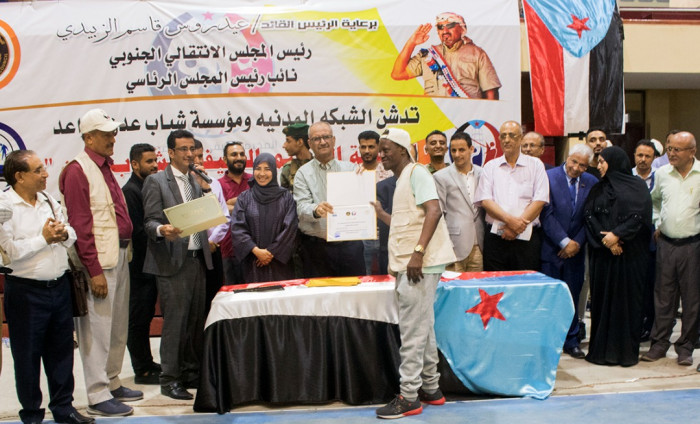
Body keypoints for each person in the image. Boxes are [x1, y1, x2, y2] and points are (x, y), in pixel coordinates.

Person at [1, 151, 94, 424]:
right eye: (38, 170)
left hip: (60, 288)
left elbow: (71, 233)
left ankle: (64, 408)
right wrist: (43, 239)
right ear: (20, 176)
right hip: (25, 292)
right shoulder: (5, 207)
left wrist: (63, 234)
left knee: (62, 353)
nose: (45, 174)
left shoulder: (48, 199)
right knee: (27, 356)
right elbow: (9, 253)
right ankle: (31, 414)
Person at [59, 109, 141, 417]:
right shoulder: (77, 171)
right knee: (97, 329)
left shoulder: (104, 166)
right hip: (99, 263)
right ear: (89, 137)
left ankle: (112, 381)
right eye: (106, 134)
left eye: (113, 133)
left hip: (120, 255)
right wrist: (93, 271)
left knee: (117, 326)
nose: (112, 139)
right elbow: (80, 226)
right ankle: (97, 394)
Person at [371, 128, 455, 419]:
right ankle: (431, 387)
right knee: (424, 326)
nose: (381, 154)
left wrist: (418, 252)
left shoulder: (417, 172)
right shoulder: (403, 179)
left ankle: (409, 396)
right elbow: (409, 221)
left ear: (403, 150)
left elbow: (434, 211)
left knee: (411, 331)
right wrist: (381, 214)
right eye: (380, 149)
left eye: (386, 149)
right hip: (415, 264)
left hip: (419, 265)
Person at [142, 129, 214, 400]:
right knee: (175, 323)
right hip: (172, 263)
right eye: (183, 149)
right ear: (170, 153)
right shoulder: (156, 181)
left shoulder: (195, 181)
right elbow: (149, 221)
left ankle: (190, 372)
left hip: (196, 260)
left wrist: (206, 190)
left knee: (194, 321)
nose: (189, 154)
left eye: (192, 148)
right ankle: (169, 378)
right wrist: (162, 229)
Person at [584, 146, 652, 367]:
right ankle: (600, 352)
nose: (599, 166)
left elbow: (640, 217)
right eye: (599, 161)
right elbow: (589, 215)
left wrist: (618, 235)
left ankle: (624, 353)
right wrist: (607, 240)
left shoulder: (638, 186)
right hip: (604, 256)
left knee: (627, 304)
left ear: (614, 162)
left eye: (602, 161)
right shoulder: (598, 188)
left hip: (630, 257)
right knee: (602, 303)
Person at [642, 131, 700, 367]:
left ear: (692, 152)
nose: (671, 153)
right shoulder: (663, 173)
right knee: (663, 297)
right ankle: (659, 344)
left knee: (692, 300)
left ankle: (685, 347)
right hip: (666, 243)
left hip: (693, 245)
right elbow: (654, 200)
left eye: (677, 150)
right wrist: (657, 221)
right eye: (669, 149)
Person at [540, 144, 598, 359]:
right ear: (567, 157)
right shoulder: (548, 177)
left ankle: (571, 341)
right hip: (551, 249)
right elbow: (545, 214)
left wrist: (576, 243)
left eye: (582, 165)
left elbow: (590, 217)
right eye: (574, 162)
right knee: (550, 298)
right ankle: (549, 342)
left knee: (572, 297)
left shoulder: (591, 182)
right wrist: (563, 242)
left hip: (576, 251)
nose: (576, 168)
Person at [474, 121, 549, 271]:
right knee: (495, 283)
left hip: (526, 239)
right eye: (503, 136)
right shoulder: (490, 167)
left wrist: (516, 228)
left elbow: (540, 200)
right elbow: (486, 201)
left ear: (521, 138)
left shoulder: (536, 165)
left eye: (511, 135)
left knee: (525, 283)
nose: (507, 140)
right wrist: (511, 222)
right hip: (496, 239)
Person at [293, 121, 364, 277]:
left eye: (326, 137)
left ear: (333, 140)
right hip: (316, 250)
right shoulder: (302, 174)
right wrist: (315, 210)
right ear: (309, 143)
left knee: (354, 290)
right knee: (319, 292)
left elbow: (362, 204)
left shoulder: (352, 169)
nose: (322, 142)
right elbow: (300, 207)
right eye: (317, 139)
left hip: (350, 247)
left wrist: (365, 181)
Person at [121, 143, 161, 385]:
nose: (155, 165)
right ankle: (142, 369)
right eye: (149, 161)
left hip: (153, 265)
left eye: (155, 160)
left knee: (146, 316)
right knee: (138, 318)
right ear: (134, 164)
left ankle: (148, 362)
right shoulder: (130, 191)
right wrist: (161, 233)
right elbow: (136, 232)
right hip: (139, 268)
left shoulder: (150, 186)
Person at [391, 12, 501, 99]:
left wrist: (486, 115)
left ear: (462, 28)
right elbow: (397, 74)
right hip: (435, 114)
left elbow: (491, 91)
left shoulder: (477, 53)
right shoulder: (427, 55)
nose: (445, 31)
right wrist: (411, 43)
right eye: (440, 27)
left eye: (450, 25)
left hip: (467, 114)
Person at [232, 153, 298, 283]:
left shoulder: (286, 197)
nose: (262, 174)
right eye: (258, 169)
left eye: (267, 169)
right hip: (252, 262)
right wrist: (256, 251)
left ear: (274, 170)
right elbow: (238, 228)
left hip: (280, 263)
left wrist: (271, 253)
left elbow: (290, 228)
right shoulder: (244, 198)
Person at [433, 132, 484, 272]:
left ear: (471, 149)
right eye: (453, 150)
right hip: (453, 246)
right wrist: (445, 246)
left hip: (479, 244)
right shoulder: (440, 177)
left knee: (476, 285)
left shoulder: (483, 173)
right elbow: (438, 214)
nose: (457, 154)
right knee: (454, 284)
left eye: (461, 150)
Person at [193, 139, 230, 311]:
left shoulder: (213, 183)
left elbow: (224, 217)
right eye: (193, 157)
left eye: (200, 156)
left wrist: (212, 241)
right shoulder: (178, 185)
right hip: (191, 253)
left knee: (213, 299)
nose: (198, 161)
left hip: (212, 249)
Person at [632, 139, 659, 341]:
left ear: (654, 158)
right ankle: (633, 323)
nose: (643, 159)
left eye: (647, 156)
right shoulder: (626, 177)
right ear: (634, 156)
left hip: (653, 241)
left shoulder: (661, 178)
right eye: (639, 155)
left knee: (651, 285)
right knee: (633, 286)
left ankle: (650, 325)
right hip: (630, 240)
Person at [358, 130, 393, 274]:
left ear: (378, 148)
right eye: (363, 147)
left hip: (386, 235)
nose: (367, 151)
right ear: (359, 148)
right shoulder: (354, 173)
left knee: (387, 277)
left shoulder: (390, 173)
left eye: (371, 147)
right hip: (362, 236)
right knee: (365, 277)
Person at [217, 141, 251, 284]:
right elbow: (218, 212)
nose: (239, 158)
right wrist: (246, 203)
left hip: (253, 250)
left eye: (242, 154)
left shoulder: (255, 181)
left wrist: (232, 203)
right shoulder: (217, 185)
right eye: (234, 154)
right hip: (228, 251)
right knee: (231, 293)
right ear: (225, 159)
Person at [280, 123, 313, 192]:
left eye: (288, 141)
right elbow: (284, 195)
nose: (284, 145)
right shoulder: (287, 169)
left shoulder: (318, 165)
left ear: (300, 142)